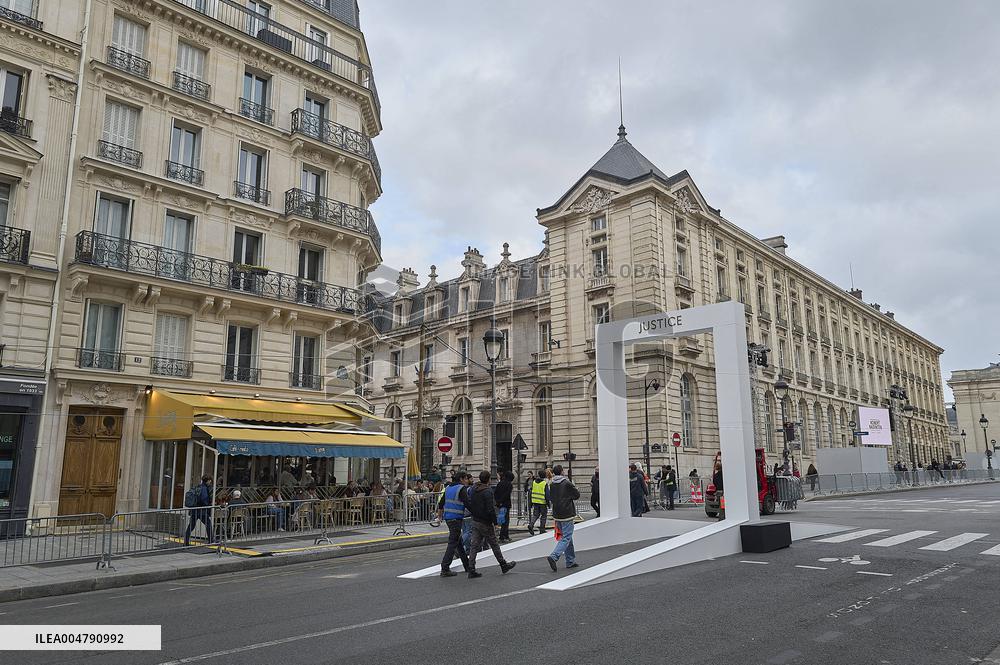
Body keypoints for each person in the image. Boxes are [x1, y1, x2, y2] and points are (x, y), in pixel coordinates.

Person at [466, 471, 516, 578]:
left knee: (474, 545)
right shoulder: (487, 491)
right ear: (488, 479)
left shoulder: (474, 489)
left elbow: (470, 502)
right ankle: (503, 564)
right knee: (494, 544)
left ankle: (471, 568)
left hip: (475, 520)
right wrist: (495, 522)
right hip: (485, 522)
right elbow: (490, 509)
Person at [546, 465, 580, 571]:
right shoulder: (566, 483)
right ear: (562, 472)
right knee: (566, 538)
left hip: (557, 514)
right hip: (567, 513)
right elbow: (577, 495)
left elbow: (551, 497)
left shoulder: (551, 483)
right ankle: (554, 556)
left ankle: (570, 561)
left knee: (567, 537)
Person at [437, 471, 472, 577]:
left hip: (448, 518)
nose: (467, 481)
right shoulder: (461, 489)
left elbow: (441, 503)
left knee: (458, 543)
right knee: (453, 543)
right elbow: (468, 504)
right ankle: (445, 568)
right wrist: (477, 513)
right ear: (461, 479)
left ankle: (467, 566)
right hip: (456, 519)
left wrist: (439, 516)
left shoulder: (447, 488)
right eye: (466, 478)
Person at [184, 475, 214, 545]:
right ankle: (211, 540)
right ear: (207, 481)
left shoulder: (198, 487)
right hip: (201, 510)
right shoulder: (204, 488)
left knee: (191, 525)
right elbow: (204, 499)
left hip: (195, 510)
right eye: (210, 481)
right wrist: (208, 504)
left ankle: (186, 541)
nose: (210, 482)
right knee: (208, 524)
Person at [528, 471, 549, 535]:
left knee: (535, 515)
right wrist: (548, 503)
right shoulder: (544, 483)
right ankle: (542, 529)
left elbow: (531, 492)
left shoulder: (534, 482)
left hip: (535, 502)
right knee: (543, 516)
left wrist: (530, 503)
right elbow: (547, 494)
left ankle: (531, 525)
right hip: (542, 502)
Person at [495, 469, 513, 543]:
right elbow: (507, 494)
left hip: (500, 504)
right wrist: (502, 501)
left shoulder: (500, 483)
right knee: (505, 520)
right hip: (505, 503)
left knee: (502, 519)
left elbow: (496, 493)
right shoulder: (509, 484)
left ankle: (504, 535)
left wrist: (498, 502)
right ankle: (503, 536)